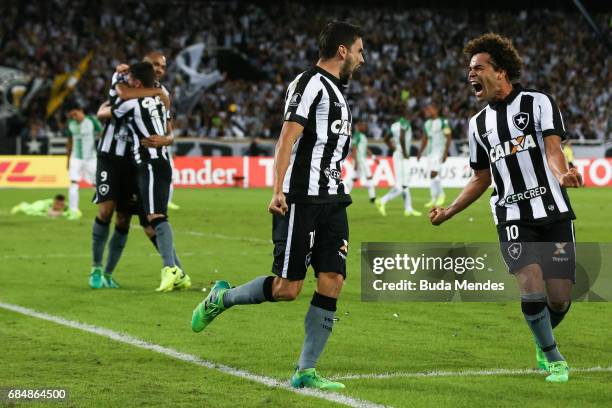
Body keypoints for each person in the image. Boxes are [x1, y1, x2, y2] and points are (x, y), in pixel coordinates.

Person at [191, 21, 365, 390]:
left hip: (333, 197)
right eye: (360, 51)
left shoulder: (336, 91)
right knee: (288, 288)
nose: (363, 60)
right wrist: (276, 190)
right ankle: (222, 297)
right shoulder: (309, 84)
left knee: (333, 279)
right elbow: (287, 137)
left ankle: (305, 370)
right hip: (301, 196)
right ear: (343, 51)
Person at [429, 33, 582, 383]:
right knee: (530, 282)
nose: (471, 74)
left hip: (554, 211)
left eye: (478, 67)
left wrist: (562, 175)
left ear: (500, 72)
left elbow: (553, 150)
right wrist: (448, 211)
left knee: (559, 298)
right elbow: (480, 178)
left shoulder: (538, 102)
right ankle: (554, 357)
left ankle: (541, 337)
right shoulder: (477, 124)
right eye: (469, 68)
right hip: (511, 214)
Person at [99, 61, 190, 293]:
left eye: (130, 80)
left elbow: (109, 110)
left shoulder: (131, 104)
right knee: (153, 218)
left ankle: (170, 269)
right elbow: (169, 128)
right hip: (159, 161)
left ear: (137, 83)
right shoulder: (160, 99)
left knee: (156, 216)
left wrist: (112, 90)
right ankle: (178, 273)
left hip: (149, 163)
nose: (127, 82)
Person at [375, 116, 421, 216]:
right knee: (401, 186)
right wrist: (404, 152)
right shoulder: (405, 123)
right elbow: (402, 136)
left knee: (405, 185)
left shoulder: (393, 126)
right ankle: (382, 201)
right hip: (403, 156)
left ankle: (408, 208)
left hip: (398, 153)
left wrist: (395, 148)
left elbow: (386, 139)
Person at [65, 101, 98, 220]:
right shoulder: (70, 124)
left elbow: (102, 134)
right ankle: (73, 210)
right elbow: (69, 142)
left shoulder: (92, 121)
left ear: (81, 111)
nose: (74, 117)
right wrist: (68, 160)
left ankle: (106, 207)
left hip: (91, 158)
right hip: (76, 157)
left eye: (75, 114)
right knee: (74, 182)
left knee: (97, 184)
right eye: (72, 115)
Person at [417, 103, 452, 207]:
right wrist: (420, 152)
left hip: (440, 151)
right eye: (426, 109)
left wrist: (446, 152)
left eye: (430, 109)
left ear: (436, 110)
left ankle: (441, 195)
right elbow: (425, 138)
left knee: (433, 173)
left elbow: (449, 136)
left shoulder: (443, 122)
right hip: (430, 152)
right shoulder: (427, 123)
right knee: (431, 176)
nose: (427, 111)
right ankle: (433, 198)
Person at [345, 120, 376, 202]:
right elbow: (354, 149)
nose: (365, 127)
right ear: (359, 127)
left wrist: (373, 157)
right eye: (363, 125)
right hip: (360, 160)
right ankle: (372, 197)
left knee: (354, 178)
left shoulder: (363, 136)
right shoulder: (357, 135)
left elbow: (366, 148)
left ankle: (345, 193)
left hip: (361, 159)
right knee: (369, 177)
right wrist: (355, 162)